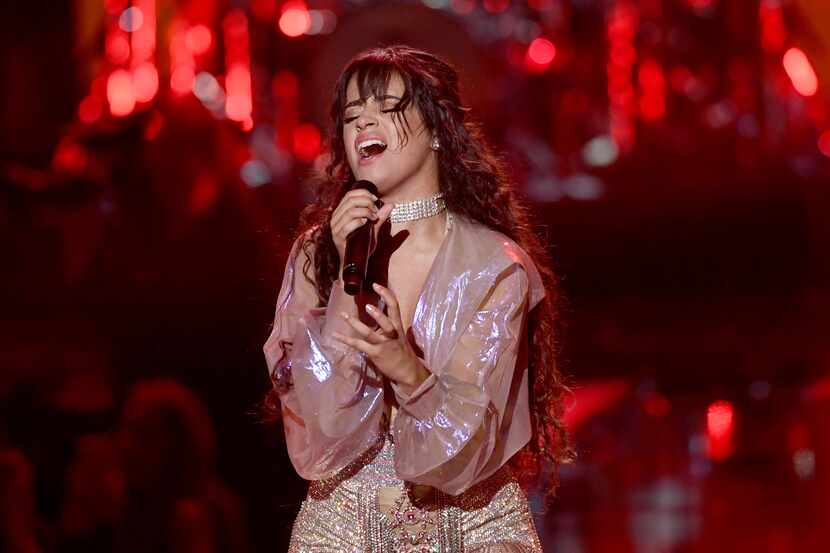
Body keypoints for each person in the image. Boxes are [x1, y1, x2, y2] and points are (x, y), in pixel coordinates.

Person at [263, 44, 571, 552]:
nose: (364, 125)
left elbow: (467, 446)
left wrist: (405, 369)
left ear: (435, 132)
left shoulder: (493, 265)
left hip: (471, 528)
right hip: (342, 530)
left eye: (386, 110)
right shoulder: (317, 254)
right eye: (352, 116)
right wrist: (343, 277)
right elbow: (322, 430)